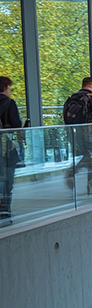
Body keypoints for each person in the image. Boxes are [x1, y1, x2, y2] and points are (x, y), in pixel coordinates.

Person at [63, 77, 92, 193]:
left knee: (88, 157)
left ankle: (89, 182)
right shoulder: (91, 98)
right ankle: (90, 182)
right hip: (90, 133)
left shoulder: (73, 98)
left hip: (77, 133)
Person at [0, 76, 22, 225]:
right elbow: (16, 125)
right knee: (7, 179)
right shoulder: (9, 103)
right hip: (5, 149)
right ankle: (5, 211)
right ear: (6, 87)